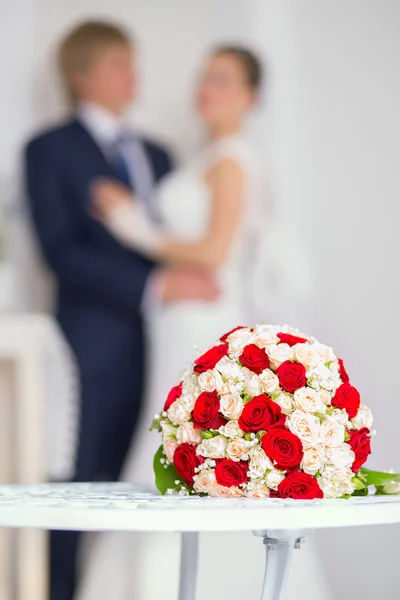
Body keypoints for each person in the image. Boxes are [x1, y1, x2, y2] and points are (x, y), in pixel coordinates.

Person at [78, 46, 331, 600]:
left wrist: (130, 224)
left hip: (206, 322)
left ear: (250, 96)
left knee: (196, 447)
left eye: (221, 79)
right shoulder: (206, 156)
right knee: (171, 443)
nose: (205, 89)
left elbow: (215, 252)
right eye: (203, 77)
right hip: (178, 320)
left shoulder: (234, 158)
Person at [25, 21, 219, 600]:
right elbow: (60, 251)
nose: (132, 74)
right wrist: (155, 285)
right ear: (80, 74)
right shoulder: (49, 149)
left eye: (132, 62)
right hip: (95, 344)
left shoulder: (161, 153)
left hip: (171, 344)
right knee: (79, 483)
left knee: (155, 480)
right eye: (117, 63)